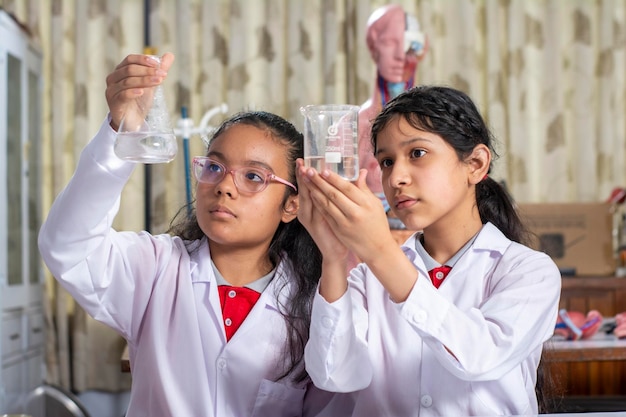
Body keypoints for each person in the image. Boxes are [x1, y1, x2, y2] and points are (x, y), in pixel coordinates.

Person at [38, 53, 351, 416]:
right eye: (214, 167)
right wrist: (119, 132)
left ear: (291, 205)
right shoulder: (155, 269)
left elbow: (331, 404)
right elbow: (68, 245)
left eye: (253, 176)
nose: (224, 187)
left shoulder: (314, 299)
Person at [296, 85, 562, 416]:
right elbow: (336, 375)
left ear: (476, 164)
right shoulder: (366, 278)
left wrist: (380, 251)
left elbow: (479, 356)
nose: (396, 178)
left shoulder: (529, 272)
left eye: (417, 153)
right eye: (387, 161)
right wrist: (333, 257)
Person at [359, 4, 428, 205]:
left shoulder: (437, 122)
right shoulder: (354, 125)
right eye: (390, 42)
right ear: (374, 48)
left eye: (409, 45)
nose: (400, 55)